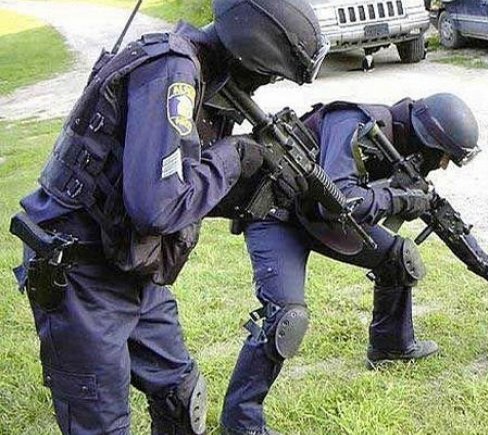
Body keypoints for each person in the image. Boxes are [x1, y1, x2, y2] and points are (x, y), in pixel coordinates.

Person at [10, 0, 328, 433]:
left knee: (181, 394)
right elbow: (156, 207)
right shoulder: (172, 69)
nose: (264, 84)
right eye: (270, 73)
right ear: (251, 53)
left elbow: (176, 188)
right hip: (81, 272)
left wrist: (255, 187)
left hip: (129, 263)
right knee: (102, 422)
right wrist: (234, 156)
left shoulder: (197, 75)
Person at [219, 93, 488, 434]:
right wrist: (398, 199)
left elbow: (439, 213)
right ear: (429, 141)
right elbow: (339, 199)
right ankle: (241, 421)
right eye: (445, 156)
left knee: (400, 258)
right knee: (287, 318)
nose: (444, 165)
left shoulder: (404, 152)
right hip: (278, 215)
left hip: (323, 220)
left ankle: (391, 345)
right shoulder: (351, 121)